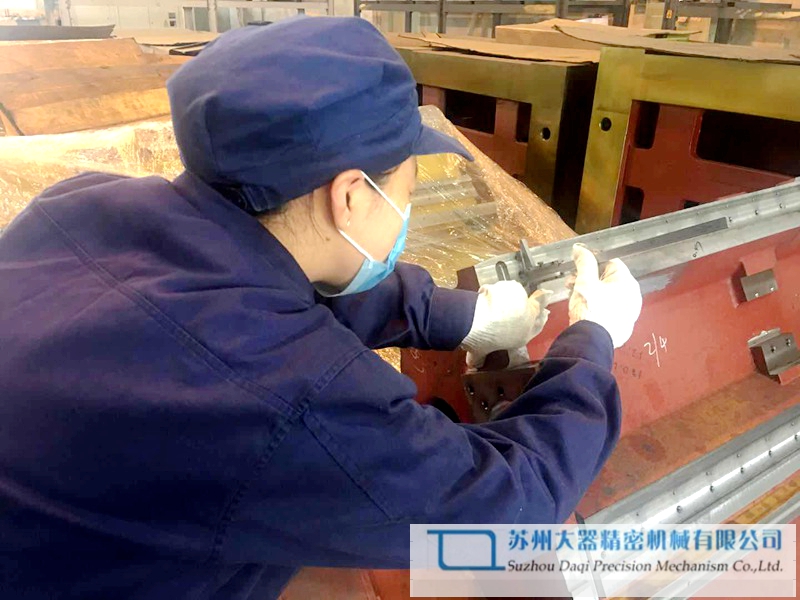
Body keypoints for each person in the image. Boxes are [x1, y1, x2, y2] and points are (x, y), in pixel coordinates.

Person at [0, 16, 642, 600]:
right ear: (352, 196)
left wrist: (461, 318)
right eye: (408, 187)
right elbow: (503, 509)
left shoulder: (81, 207)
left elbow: (264, 288)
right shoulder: (284, 398)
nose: (406, 208)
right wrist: (591, 341)